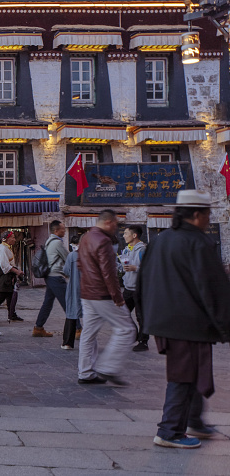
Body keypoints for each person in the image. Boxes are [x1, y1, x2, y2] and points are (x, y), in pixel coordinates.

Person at [138, 190, 230, 449]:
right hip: (189, 323)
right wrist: (225, 326)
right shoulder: (200, 243)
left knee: (191, 373)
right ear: (198, 215)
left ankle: (193, 421)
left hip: (165, 321)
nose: (209, 220)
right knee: (183, 376)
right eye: (208, 215)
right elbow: (213, 288)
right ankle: (169, 431)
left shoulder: (161, 240)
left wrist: (146, 319)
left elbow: (144, 280)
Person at [77, 209, 136, 386]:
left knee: (88, 333)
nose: (116, 229)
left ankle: (86, 372)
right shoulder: (103, 241)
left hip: (87, 293)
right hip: (102, 294)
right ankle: (108, 367)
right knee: (126, 329)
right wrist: (117, 297)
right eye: (116, 225)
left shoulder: (86, 238)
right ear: (109, 222)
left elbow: (80, 264)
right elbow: (109, 273)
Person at [33, 220, 68, 338]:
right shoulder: (57, 243)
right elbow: (67, 258)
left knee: (47, 303)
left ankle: (38, 327)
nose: (64, 231)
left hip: (50, 276)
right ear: (56, 230)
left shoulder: (49, 241)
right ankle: (78, 328)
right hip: (56, 276)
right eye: (63, 229)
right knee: (67, 303)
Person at [120, 224, 149, 352]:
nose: (123, 235)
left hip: (140, 288)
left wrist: (135, 268)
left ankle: (143, 342)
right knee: (122, 313)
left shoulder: (143, 250)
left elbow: (150, 268)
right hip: (128, 287)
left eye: (126, 233)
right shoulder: (126, 249)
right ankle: (133, 334)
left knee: (141, 316)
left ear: (134, 235)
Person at [0, 231, 24, 322]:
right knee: (2, 295)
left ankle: (12, 313)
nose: (14, 239)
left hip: (8, 275)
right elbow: (5, 265)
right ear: (7, 239)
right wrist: (17, 271)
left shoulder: (6, 248)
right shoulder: (3, 248)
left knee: (10, 296)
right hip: (5, 275)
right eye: (13, 237)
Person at [61, 233, 83, 350]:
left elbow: (66, 271)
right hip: (89, 289)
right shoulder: (90, 255)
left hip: (75, 287)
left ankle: (68, 342)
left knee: (72, 314)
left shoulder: (72, 256)